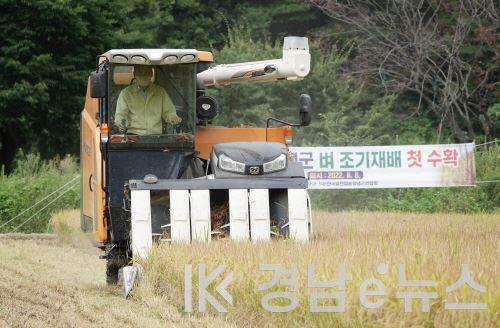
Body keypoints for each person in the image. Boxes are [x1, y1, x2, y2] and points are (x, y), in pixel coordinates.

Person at [114, 65, 182, 135]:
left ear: (151, 74)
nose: (143, 75)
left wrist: (173, 118)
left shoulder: (160, 91)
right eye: (140, 72)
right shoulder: (126, 93)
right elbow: (121, 115)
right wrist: (121, 124)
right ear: (134, 74)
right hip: (133, 136)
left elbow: (169, 112)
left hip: (156, 137)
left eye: (146, 72)